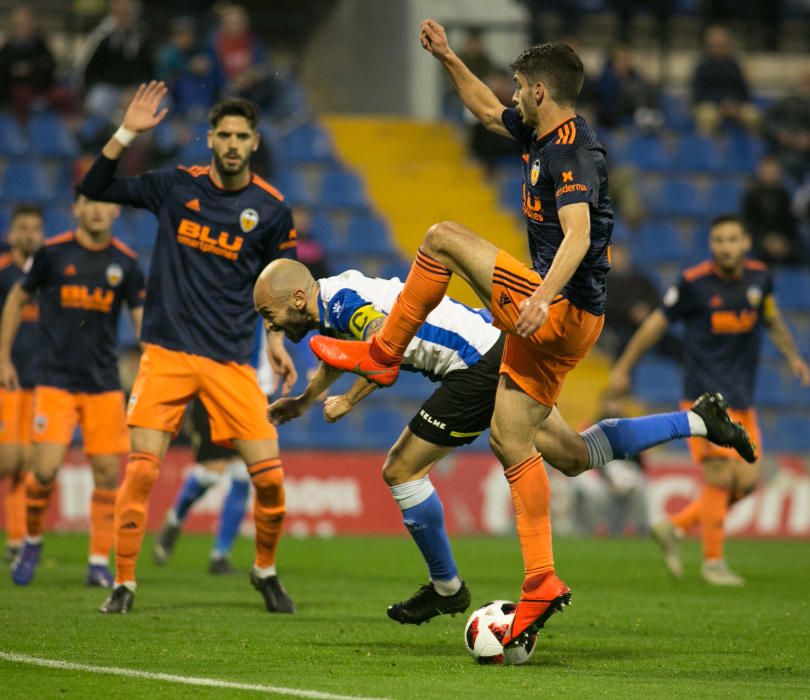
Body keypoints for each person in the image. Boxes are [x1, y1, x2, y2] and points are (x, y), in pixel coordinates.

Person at [301, 18, 752, 649]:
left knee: (441, 239)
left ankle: (382, 354)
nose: (510, 95)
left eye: (518, 86)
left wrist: (541, 297)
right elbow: (486, 111)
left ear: (541, 90)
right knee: (537, 446)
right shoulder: (538, 132)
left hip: (558, 308)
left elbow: (579, 236)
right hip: (566, 319)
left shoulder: (570, 154)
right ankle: (551, 568)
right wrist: (448, 58)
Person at [257, 260, 754, 624]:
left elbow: (382, 345)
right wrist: (305, 400)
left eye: (270, 313)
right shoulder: (335, 295)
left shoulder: (344, 303)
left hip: (475, 366)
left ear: (297, 299)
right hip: (495, 344)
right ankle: (697, 421)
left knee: (401, 469)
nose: (270, 324)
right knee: (574, 455)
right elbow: (342, 351)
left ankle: (447, 587)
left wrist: (349, 400)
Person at [79, 82, 299, 614]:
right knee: (142, 471)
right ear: (209, 139)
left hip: (231, 361)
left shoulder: (271, 211)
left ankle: (264, 570)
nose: (231, 143)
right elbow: (96, 185)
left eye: (241, 136)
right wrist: (128, 130)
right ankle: (124, 583)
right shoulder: (176, 186)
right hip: (169, 355)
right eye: (223, 134)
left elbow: (278, 283)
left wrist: (274, 339)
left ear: (254, 142)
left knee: (270, 482)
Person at [609, 215, 810, 585]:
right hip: (704, 400)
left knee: (747, 483)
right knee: (719, 475)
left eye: (733, 239)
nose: (726, 246)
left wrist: (794, 356)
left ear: (746, 243)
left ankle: (676, 525)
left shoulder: (759, 280)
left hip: (743, 400)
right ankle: (713, 562)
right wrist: (624, 367)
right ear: (711, 245)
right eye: (719, 240)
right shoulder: (693, 284)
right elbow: (655, 324)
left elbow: (773, 320)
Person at [1, 194, 145, 588]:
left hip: (102, 385)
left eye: (105, 203)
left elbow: (141, 325)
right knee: (43, 470)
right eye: (89, 202)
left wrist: (152, 368)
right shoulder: (52, 254)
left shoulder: (127, 263)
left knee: (105, 473)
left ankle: (98, 561)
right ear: (76, 208)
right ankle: (31, 541)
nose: (98, 210)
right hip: (55, 382)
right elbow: (16, 299)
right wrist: (3, 358)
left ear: (116, 210)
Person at [152, 398, 250, 574]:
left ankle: (220, 556)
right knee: (211, 474)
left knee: (243, 473)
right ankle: (175, 519)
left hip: (249, 401)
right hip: (212, 399)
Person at [0, 205, 44, 563]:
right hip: (8, 378)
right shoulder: (3, 273)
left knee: (30, 463)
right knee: (8, 460)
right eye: (22, 228)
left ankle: (18, 539)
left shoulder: (47, 273)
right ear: (11, 234)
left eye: (35, 229)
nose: (29, 234)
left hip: (40, 380)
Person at [76, 0, 154, 117]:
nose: (123, 15)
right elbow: (86, 68)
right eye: (119, 11)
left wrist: (135, 89)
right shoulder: (101, 34)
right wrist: (85, 93)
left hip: (133, 88)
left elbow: (148, 70)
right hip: (106, 87)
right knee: (97, 102)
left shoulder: (141, 35)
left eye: (127, 11)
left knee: (160, 104)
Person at [691, 25, 758, 136]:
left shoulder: (735, 66)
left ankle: (752, 148)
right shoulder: (702, 66)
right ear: (709, 46)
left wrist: (735, 104)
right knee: (707, 116)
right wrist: (721, 104)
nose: (719, 48)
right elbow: (698, 95)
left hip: (735, 106)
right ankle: (705, 149)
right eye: (716, 45)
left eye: (722, 45)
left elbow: (744, 92)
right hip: (711, 105)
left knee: (752, 115)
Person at [742, 155, 803, 266]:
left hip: (782, 241)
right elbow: (749, 223)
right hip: (759, 240)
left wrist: (784, 241)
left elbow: (789, 223)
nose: (771, 174)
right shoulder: (751, 195)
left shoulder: (784, 195)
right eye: (768, 170)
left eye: (774, 170)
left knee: (798, 252)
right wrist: (767, 240)